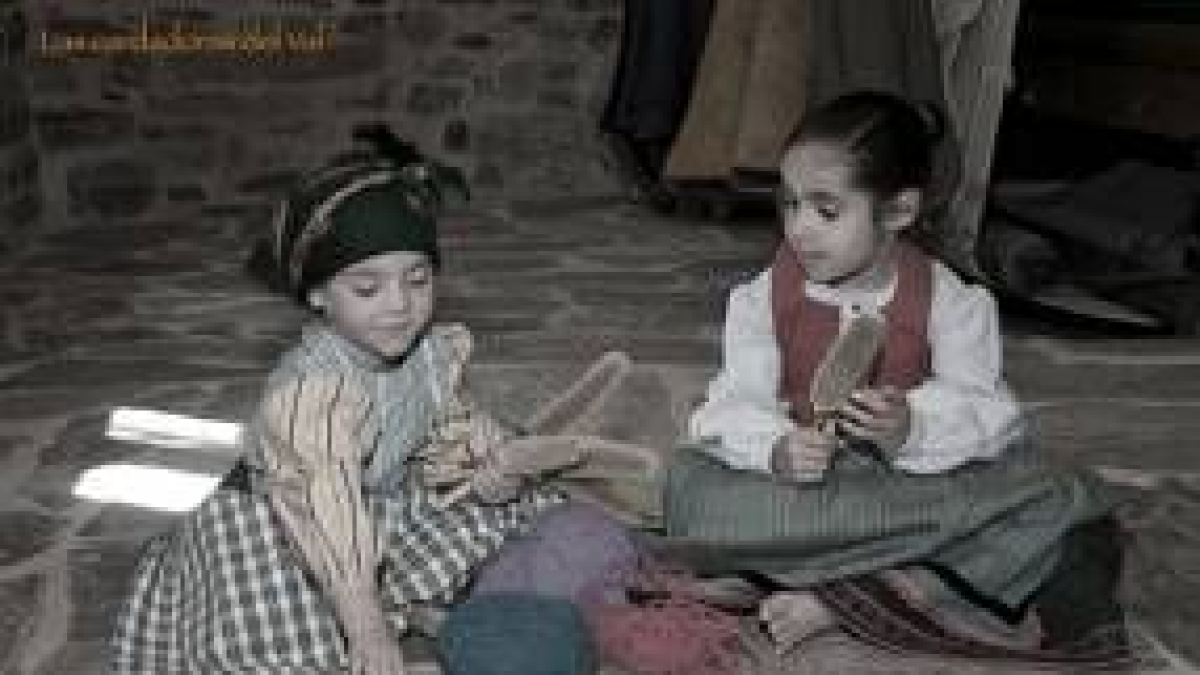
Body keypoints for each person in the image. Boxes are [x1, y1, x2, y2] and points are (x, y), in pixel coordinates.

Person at [110, 126, 622, 675]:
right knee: (282, 633)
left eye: (418, 280)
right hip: (288, 517)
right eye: (367, 288)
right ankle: (368, 616)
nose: (399, 306)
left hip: (376, 501)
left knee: (513, 509)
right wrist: (366, 625)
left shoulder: (429, 356)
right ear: (318, 295)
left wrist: (478, 458)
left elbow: (433, 435)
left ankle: (415, 599)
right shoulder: (314, 389)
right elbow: (325, 497)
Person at [664, 91, 1131, 665]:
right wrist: (777, 448)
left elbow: (986, 410)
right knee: (688, 488)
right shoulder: (763, 298)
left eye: (826, 211)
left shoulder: (953, 303)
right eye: (789, 205)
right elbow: (734, 399)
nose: (800, 230)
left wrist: (911, 426)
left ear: (899, 211)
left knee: (1053, 496)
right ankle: (891, 582)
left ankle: (832, 594)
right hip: (800, 494)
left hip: (907, 488)